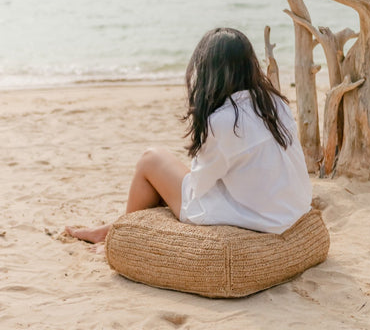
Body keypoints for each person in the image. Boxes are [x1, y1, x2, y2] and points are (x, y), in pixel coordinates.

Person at [65, 28, 312, 244]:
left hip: (259, 218)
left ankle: (119, 235)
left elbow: (198, 185)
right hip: (291, 209)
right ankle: (114, 227)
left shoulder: (224, 121)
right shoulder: (274, 103)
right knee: (168, 171)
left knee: (150, 159)